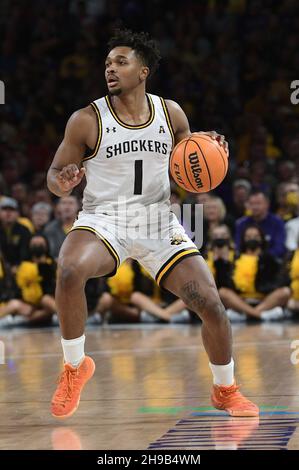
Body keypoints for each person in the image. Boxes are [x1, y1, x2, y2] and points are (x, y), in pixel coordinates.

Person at [47, 29, 258, 419]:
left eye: (120, 62)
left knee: (211, 304)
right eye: (108, 63)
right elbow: (55, 173)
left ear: (143, 71)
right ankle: (75, 367)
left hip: (158, 221)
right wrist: (61, 181)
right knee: (69, 270)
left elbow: (188, 165)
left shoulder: (171, 112)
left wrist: (212, 148)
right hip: (105, 218)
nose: (110, 68)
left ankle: (225, 389)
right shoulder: (86, 119)